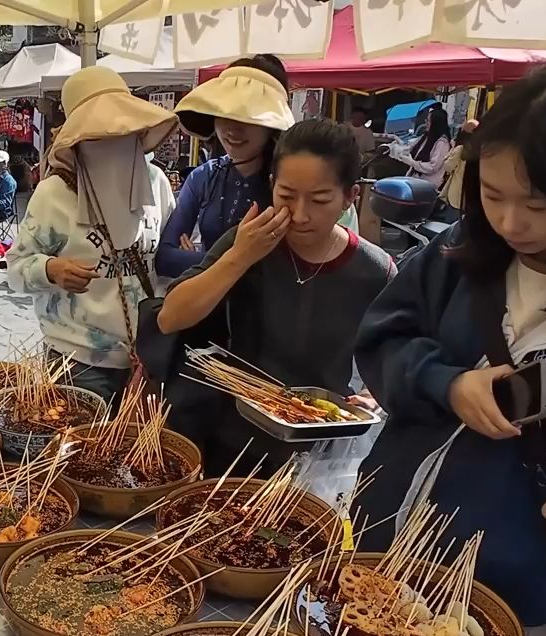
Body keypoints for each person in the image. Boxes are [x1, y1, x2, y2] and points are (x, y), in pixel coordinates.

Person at [354, 68, 546, 636]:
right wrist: (446, 383)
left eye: (538, 203)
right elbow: (380, 339)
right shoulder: (453, 259)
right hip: (386, 537)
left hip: (506, 574)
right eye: (493, 195)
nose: (511, 223)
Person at [151, 118, 395, 474]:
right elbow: (170, 317)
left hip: (315, 452)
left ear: (350, 197)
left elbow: (394, 356)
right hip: (230, 439)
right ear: (271, 185)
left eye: (320, 199)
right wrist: (240, 257)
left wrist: (375, 397)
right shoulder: (249, 240)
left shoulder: (376, 270)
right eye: (286, 195)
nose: (299, 215)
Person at [7, 66, 178, 405]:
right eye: (99, 134)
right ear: (79, 142)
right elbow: (15, 269)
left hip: (150, 355)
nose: (114, 140)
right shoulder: (54, 194)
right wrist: (50, 270)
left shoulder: (156, 183)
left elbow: (167, 260)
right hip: (78, 361)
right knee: (83, 454)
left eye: (123, 129)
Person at [156, 55, 293, 279]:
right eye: (224, 113)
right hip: (207, 307)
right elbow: (165, 259)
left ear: (273, 122)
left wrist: (201, 262)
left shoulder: (290, 182)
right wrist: (240, 259)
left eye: (248, 117)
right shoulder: (204, 176)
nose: (232, 129)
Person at [389, 104, 452, 185]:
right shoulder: (425, 137)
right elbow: (410, 147)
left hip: (427, 185)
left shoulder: (442, 143)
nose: (426, 123)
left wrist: (413, 163)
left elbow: (433, 167)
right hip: (413, 179)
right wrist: (395, 149)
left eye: (428, 121)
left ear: (436, 123)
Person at [436, 119, 478, 222]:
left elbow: (448, 167)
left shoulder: (460, 149)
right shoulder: (481, 151)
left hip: (455, 197)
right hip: (470, 198)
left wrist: (450, 153)